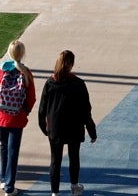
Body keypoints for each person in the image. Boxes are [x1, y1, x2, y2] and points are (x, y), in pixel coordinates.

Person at [38, 51, 97, 196]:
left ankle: (54, 193)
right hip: (74, 128)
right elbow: (85, 110)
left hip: (55, 128)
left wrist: (44, 127)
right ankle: (74, 186)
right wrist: (92, 131)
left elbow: (42, 109)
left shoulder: (50, 83)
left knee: (55, 161)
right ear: (71, 64)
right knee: (74, 157)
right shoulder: (78, 83)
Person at [0, 40, 36, 196]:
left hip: (1, 115)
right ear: (22, 54)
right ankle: (9, 186)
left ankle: (3, 179)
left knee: (3, 146)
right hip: (17, 117)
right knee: (13, 150)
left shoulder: (0, 70)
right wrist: (25, 111)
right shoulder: (26, 72)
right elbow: (31, 97)